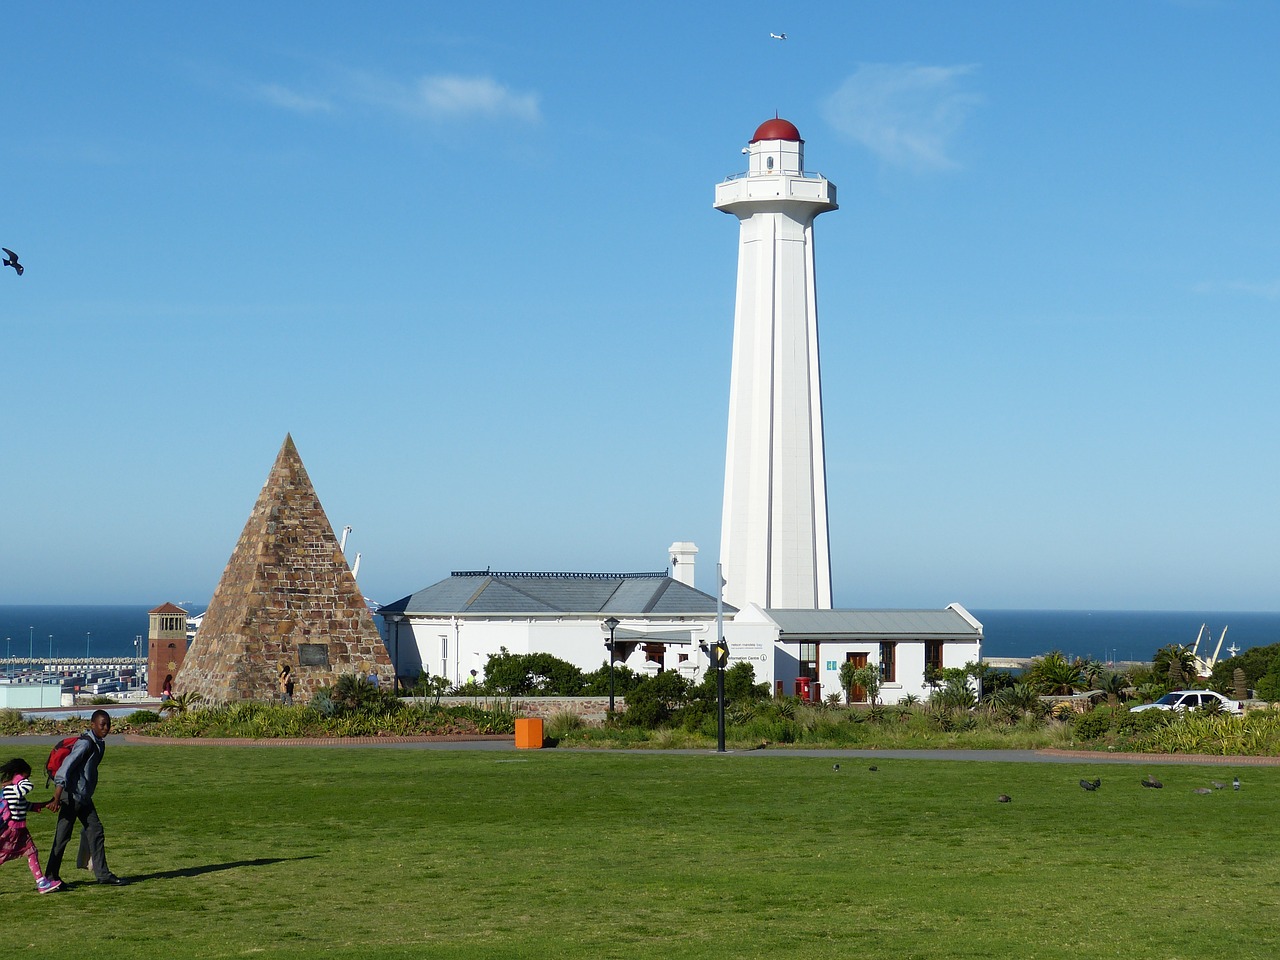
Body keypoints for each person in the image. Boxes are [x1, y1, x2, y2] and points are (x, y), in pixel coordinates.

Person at [45, 710, 125, 886]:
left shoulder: (98, 743)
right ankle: (50, 877)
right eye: (102, 724)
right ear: (92, 725)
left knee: (96, 830)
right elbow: (65, 769)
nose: (106, 728)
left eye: (108, 724)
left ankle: (103, 874)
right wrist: (57, 797)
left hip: (83, 797)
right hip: (71, 797)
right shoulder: (85, 744)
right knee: (62, 837)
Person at [0, 758, 62, 893]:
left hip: (19, 830)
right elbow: (27, 787)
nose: (28, 779)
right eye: (26, 776)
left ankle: (42, 882)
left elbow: (25, 805)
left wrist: (45, 804)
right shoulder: (12, 790)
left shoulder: (14, 790)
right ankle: (42, 882)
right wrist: (17, 779)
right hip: (11, 830)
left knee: (31, 851)